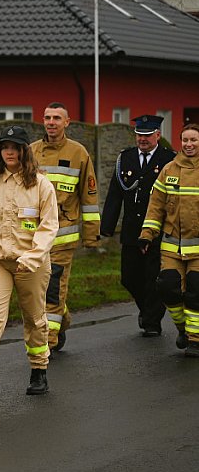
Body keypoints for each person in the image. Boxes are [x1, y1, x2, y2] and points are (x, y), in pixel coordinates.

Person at [0, 125, 59, 399]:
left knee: (34, 318)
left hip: (31, 264)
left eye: (15, 147)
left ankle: (38, 368)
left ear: (25, 151)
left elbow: (48, 227)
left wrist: (32, 257)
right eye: (5, 147)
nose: (9, 152)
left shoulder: (41, 186)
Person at [31, 102, 101, 352]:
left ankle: (48, 342)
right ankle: (63, 318)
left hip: (63, 237)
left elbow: (89, 197)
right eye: (47, 117)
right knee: (35, 289)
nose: (51, 122)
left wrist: (91, 237)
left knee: (53, 288)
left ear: (67, 122)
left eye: (57, 118)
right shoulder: (31, 152)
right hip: (34, 239)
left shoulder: (79, 153)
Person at [101, 115, 175, 337]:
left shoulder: (169, 159)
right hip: (132, 230)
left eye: (147, 135)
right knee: (129, 277)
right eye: (139, 135)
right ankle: (147, 309)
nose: (142, 139)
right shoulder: (125, 158)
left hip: (158, 231)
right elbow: (115, 194)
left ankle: (152, 322)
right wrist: (107, 226)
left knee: (154, 277)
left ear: (157, 135)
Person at [139, 123, 199, 356]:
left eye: (193, 140)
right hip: (172, 246)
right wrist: (147, 235)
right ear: (180, 142)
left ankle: (195, 340)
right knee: (167, 287)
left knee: (196, 291)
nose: (189, 144)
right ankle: (183, 328)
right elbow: (156, 207)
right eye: (185, 140)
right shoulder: (169, 170)